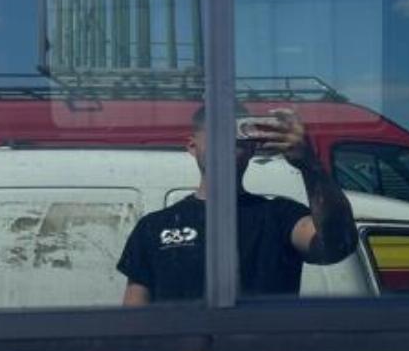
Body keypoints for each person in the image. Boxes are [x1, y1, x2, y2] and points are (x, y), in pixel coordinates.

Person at [117, 105, 357, 304]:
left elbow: (336, 244)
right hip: (183, 349)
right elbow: (135, 320)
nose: (226, 143)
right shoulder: (154, 227)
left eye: (236, 135)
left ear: (252, 146)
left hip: (262, 349)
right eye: (216, 133)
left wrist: (309, 164)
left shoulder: (279, 216)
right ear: (192, 146)